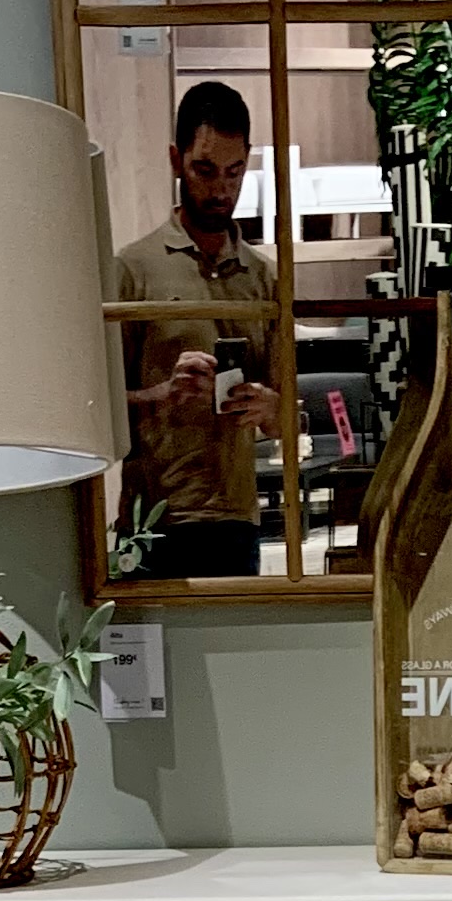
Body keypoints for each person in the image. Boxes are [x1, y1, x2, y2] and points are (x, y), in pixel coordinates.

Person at [112, 78, 276, 577]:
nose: (221, 189)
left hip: (237, 518)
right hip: (153, 518)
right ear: (175, 160)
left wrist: (268, 405)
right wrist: (162, 394)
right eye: (205, 170)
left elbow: (286, 417)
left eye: (234, 172)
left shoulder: (263, 278)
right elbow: (97, 406)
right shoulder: (132, 270)